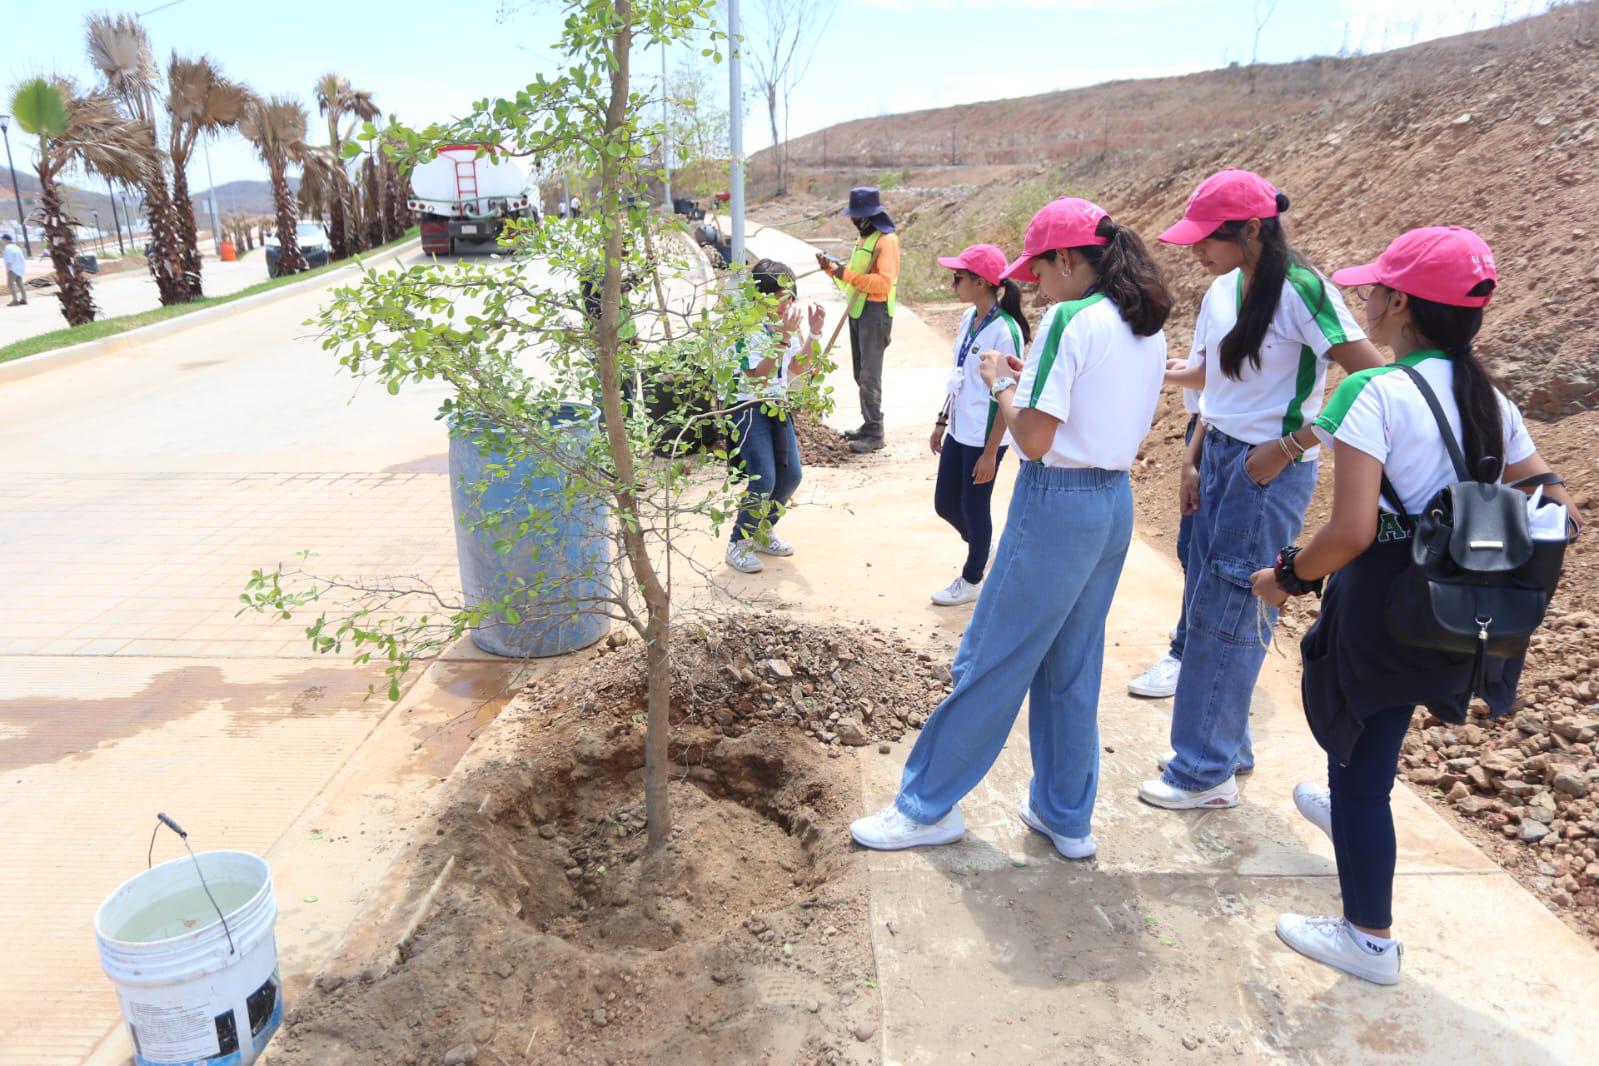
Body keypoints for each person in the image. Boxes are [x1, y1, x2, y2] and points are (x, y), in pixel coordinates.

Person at [1248, 227, 1578, 984]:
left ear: (1398, 302)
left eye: (1373, 288)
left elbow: (1353, 530)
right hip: (1458, 593)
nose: (1364, 298)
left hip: (1386, 590)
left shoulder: (1374, 389)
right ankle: (1351, 805)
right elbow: (1546, 487)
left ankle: (1367, 937)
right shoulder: (1488, 396)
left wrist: (1289, 578)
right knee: (1376, 723)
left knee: (1357, 752)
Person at [850, 197, 1171, 857]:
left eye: (1040, 270)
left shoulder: (1067, 321)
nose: (1033, 284)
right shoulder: (1143, 323)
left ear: (1066, 258)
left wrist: (998, 381)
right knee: (1070, 664)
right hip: (1110, 503)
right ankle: (1063, 813)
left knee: (990, 657)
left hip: (1056, 502)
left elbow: (1030, 436)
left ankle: (925, 805)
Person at [1135, 168, 1384, 810]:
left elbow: (1373, 380)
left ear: (1251, 229)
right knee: (1210, 600)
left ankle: (1202, 772)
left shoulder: (1302, 289)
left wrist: (1296, 443)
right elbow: (1207, 377)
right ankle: (1226, 747)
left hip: (1265, 469)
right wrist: (1148, 387)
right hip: (1221, 454)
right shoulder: (1224, 289)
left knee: (1230, 608)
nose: (1196, 252)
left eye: (1207, 239)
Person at [928, 243, 1030, 606]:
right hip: (959, 428)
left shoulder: (1006, 330)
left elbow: (1009, 393)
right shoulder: (968, 319)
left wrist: (990, 454)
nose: (953, 284)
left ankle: (972, 580)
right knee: (945, 504)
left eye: (958, 278)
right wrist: (942, 420)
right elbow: (959, 376)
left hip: (985, 437)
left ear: (982, 282)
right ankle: (984, 547)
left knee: (974, 506)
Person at [1127, 312, 1216, 697]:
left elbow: (1220, 379)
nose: (1200, 253)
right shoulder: (1226, 290)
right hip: (1204, 427)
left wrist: (1166, 374)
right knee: (1189, 549)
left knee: (1206, 556)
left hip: (1223, 434)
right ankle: (1194, 628)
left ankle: (1187, 651)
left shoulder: (1259, 291)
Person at [726, 258, 826, 575]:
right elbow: (755, 377)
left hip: (776, 406)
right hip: (747, 407)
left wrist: (814, 334)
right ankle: (738, 543)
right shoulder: (741, 329)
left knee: (792, 475)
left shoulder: (783, 327)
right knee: (763, 479)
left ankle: (762, 530)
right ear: (760, 296)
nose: (787, 303)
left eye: (790, 295)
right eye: (780, 296)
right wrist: (783, 338)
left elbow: (798, 368)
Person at [816, 186, 899, 454]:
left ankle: (875, 432)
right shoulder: (864, 238)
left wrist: (845, 274)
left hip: (875, 314)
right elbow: (854, 275)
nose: (853, 220)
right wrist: (833, 271)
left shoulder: (886, 241)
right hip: (858, 311)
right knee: (859, 373)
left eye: (857, 216)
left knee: (869, 376)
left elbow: (884, 282)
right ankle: (868, 424)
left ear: (869, 216)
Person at [3, 234, 25, 306]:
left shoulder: (8, 248)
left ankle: (15, 300)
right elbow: (22, 258)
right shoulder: (17, 247)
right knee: (20, 284)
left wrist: (7, 270)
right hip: (19, 268)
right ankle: (24, 299)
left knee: (10, 284)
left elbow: (9, 261)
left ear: (6, 240)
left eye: (3, 239)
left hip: (13, 269)